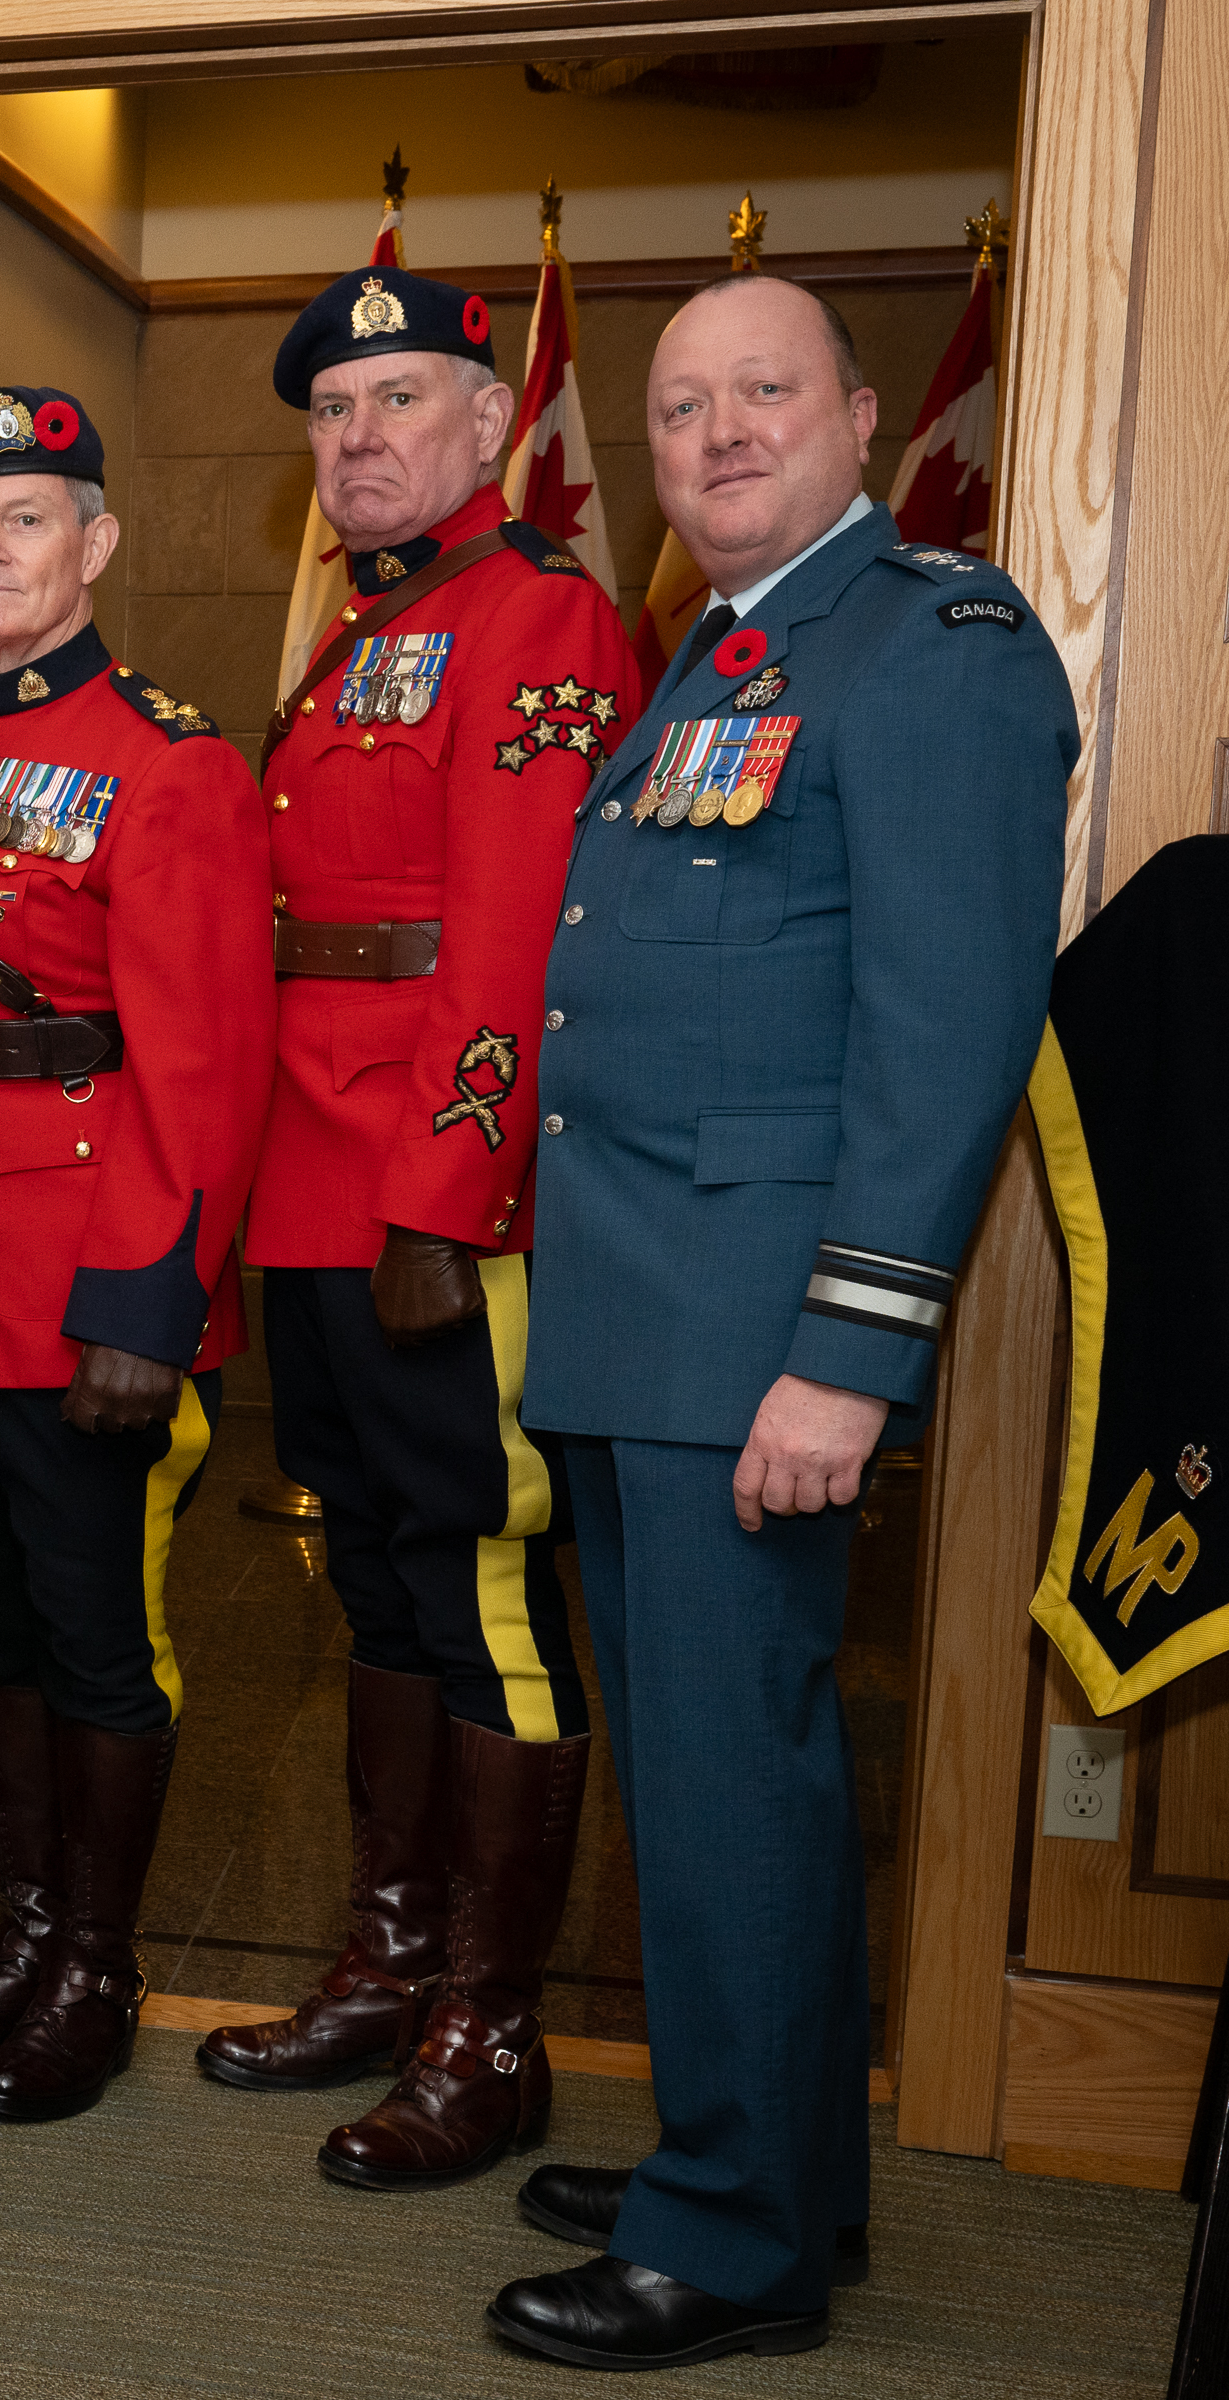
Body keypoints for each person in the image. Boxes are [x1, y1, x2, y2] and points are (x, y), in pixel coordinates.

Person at [487, 275, 1072, 2371]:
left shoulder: (930, 651)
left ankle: (724, 2241)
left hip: (754, 1335)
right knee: (726, 1780)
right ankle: (774, 2163)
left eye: (764, 392)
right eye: (677, 409)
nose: (719, 432)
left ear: (851, 417)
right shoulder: (723, 661)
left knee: (734, 1784)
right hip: (648, 1315)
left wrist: (849, 1351)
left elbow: (945, 1036)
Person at [195, 267, 636, 2196]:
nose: (360, 438)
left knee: (484, 1591)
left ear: (488, 423)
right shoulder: (362, 635)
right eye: (333, 410)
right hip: (313, 1168)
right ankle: (387, 1960)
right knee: (370, 1581)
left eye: (399, 399)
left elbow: (517, 936)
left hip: (436, 1193)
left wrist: (449, 1200)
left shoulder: (536, 618)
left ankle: (492, 2022)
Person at [0, 389, 273, 2121]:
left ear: (96, 545)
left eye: (26, 519)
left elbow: (204, 1055)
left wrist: (146, 1304)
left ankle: (98, 1971)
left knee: (100, 1642)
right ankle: (20, 1940)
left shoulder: (168, 760)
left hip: (85, 1268)